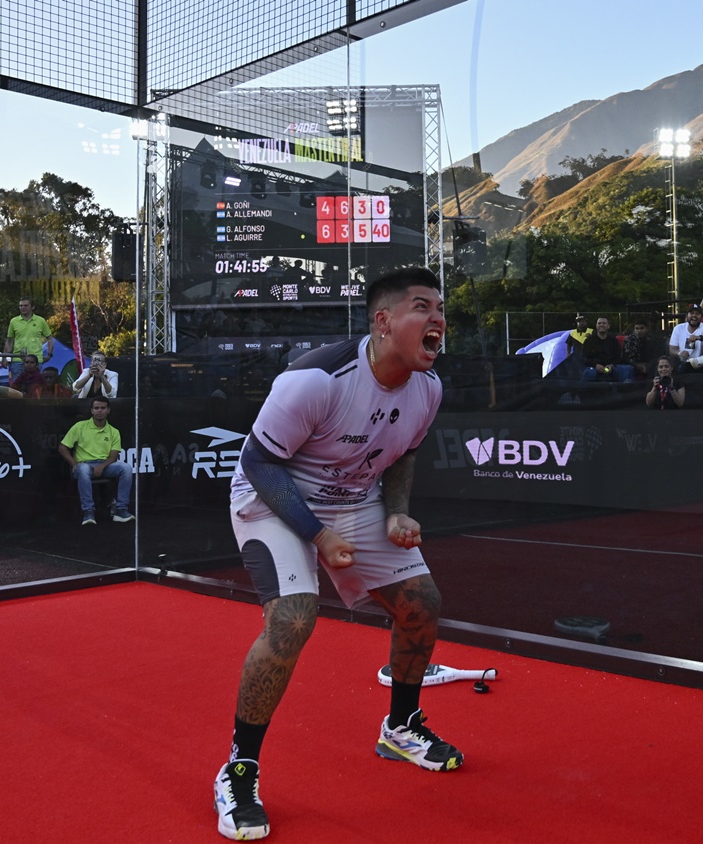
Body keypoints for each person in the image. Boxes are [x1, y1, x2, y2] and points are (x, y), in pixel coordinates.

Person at [214, 267, 460, 842]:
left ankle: (400, 727)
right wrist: (318, 535)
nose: (438, 321)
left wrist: (397, 511)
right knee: (295, 616)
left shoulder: (429, 388)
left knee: (422, 602)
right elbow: (258, 462)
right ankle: (238, 771)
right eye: (422, 307)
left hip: (353, 499)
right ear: (383, 321)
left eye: (441, 310)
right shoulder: (316, 380)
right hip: (273, 498)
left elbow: (402, 454)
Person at [57, 395, 134, 525]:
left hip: (105, 466)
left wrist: (102, 466)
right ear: (91, 410)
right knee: (83, 469)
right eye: (96, 408)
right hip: (84, 465)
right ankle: (88, 512)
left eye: (102, 408)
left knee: (126, 468)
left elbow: (113, 456)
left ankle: (121, 510)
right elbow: (62, 447)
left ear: (108, 410)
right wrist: (74, 463)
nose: (99, 411)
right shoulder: (80, 426)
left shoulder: (114, 431)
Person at [3, 297, 52, 381]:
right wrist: (4, 357)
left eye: (26, 305)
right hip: (18, 358)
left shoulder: (40, 321)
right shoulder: (14, 321)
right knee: (17, 387)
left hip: (36, 359)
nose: (23, 308)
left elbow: (50, 338)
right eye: (21, 306)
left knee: (35, 386)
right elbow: (9, 341)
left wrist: (49, 354)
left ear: (32, 307)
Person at [668, 305, 703, 371]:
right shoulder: (678, 328)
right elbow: (672, 349)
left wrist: (701, 338)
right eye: (692, 313)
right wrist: (679, 353)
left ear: (701, 318)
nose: (694, 315)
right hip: (682, 363)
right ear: (687, 316)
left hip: (701, 363)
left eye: (697, 314)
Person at [580, 317, 623, 381]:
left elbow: (618, 357)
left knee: (626, 369)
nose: (601, 325)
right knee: (591, 372)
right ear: (596, 326)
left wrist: (611, 365)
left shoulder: (614, 341)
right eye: (599, 323)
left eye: (604, 323)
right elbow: (584, 358)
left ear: (608, 326)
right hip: (593, 367)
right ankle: (583, 389)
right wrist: (595, 365)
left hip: (610, 367)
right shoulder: (589, 341)